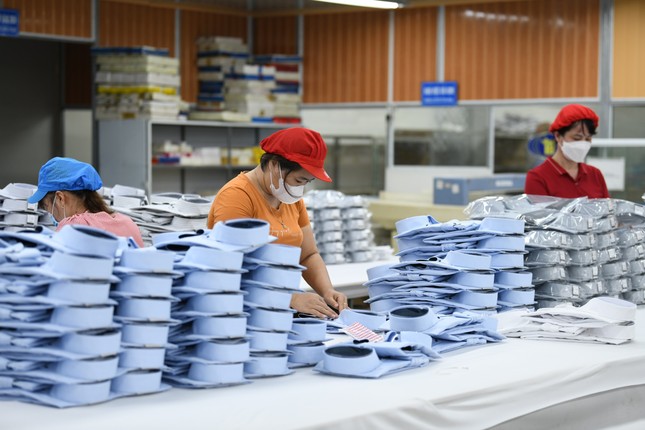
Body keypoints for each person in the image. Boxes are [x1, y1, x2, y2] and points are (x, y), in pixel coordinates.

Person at [208, 127, 349, 318]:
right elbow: (230, 268)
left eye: (306, 182)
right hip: (241, 312)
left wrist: (327, 291)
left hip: (279, 310)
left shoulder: (289, 197)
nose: (300, 189)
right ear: (275, 165)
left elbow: (307, 255)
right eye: (299, 180)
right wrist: (290, 298)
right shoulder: (237, 197)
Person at [28, 157, 145, 247]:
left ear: (60, 198)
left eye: (47, 207)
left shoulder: (72, 228)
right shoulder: (127, 223)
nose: (51, 214)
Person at [524, 104, 609, 199]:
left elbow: (606, 207)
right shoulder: (538, 177)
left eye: (588, 139)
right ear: (558, 136)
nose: (583, 144)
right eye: (577, 138)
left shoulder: (595, 175)